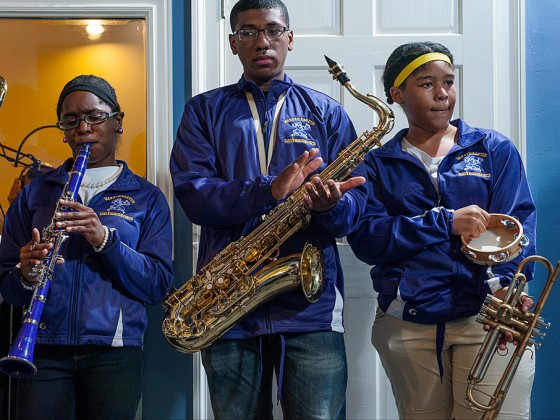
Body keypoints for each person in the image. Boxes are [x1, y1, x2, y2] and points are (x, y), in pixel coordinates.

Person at [170, 0, 367, 418]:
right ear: (232, 42)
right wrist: (269, 190)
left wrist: (331, 206)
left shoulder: (327, 112)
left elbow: (355, 213)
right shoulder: (203, 111)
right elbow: (193, 197)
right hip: (225, 303)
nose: (262, 41)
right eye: (248, 32)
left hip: (310, 308)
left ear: (290, 39)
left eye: (274, 31)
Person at [347, 41, 537, 419]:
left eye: (448, 82)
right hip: (408, 322)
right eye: (426, 83)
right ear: (397, 94)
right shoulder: (376, 163)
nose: (442, 94)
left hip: (489, 316)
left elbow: (518, 225)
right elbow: (368, 240)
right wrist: (444, 222)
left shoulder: (493, 149)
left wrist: (508, 288)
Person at [0, 74, 174, 420]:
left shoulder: (146, 198)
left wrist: (104, 240)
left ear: (117, 122)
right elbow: (6, 284)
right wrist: (24, 273)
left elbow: (157, 285)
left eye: (94, 117)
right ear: (62, 129)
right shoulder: (36, 192)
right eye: (71, 120)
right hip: (42, 350)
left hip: (114, 353)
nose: (83, 128)